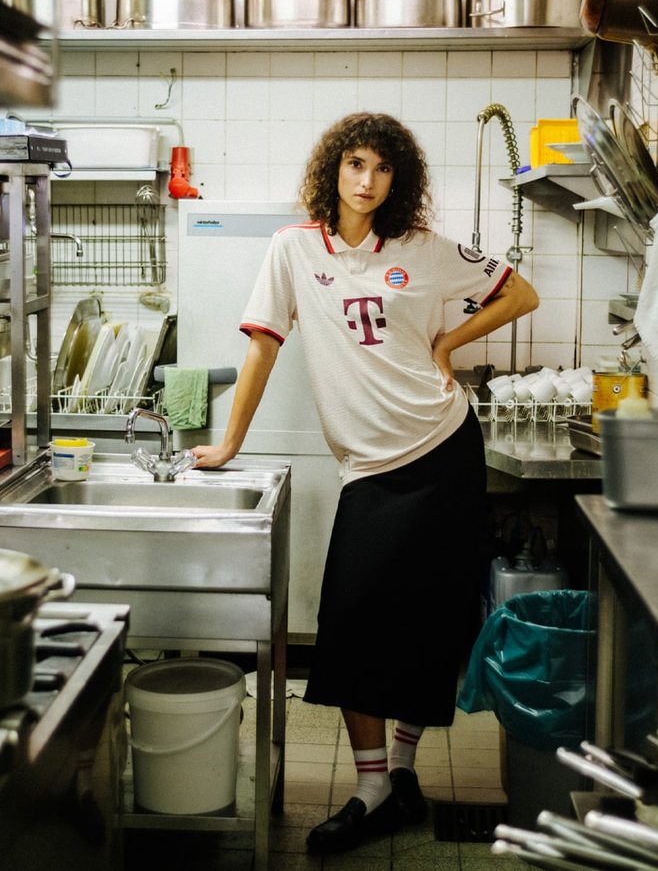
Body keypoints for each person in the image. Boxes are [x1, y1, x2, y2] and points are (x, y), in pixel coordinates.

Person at [190, 113, 540, 855]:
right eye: (355, 164)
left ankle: (401, 777)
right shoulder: (293, 249)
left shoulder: (424, 249)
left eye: (382, 169)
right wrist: (228, 442)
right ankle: (372, 786)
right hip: (371, 470)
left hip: (444, 447)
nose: (367, 180)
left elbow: (519, 294)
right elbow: (261, 352)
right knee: (353, 620)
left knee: (430, 618)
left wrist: (449, 339)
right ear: (334, 170)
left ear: (397, 179)